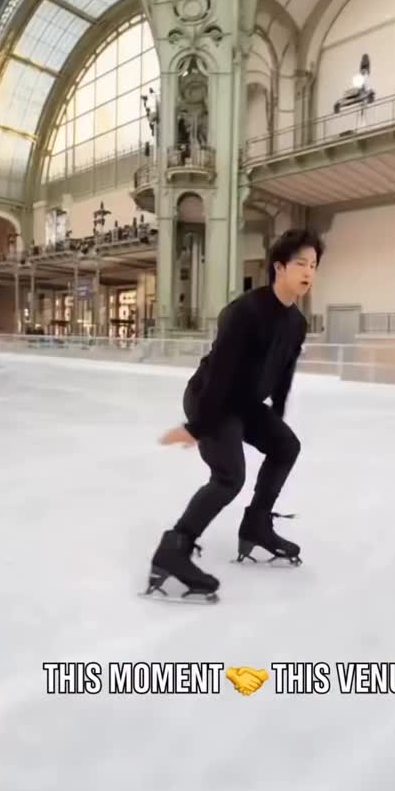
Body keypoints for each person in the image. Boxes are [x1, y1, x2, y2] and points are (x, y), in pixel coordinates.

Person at [144, 228, 325, 600]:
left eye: (314, 265)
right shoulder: (245, 311)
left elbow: (284, 370)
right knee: (229, 476)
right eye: (301, 263)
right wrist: (197, 427)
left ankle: (256, 525)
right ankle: (172, 551)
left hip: (245, 402)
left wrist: (276, 414)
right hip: (210, 397)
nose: (308, 271)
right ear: (279, 267)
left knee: (286, 446)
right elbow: (221, 373)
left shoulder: (297, 323)